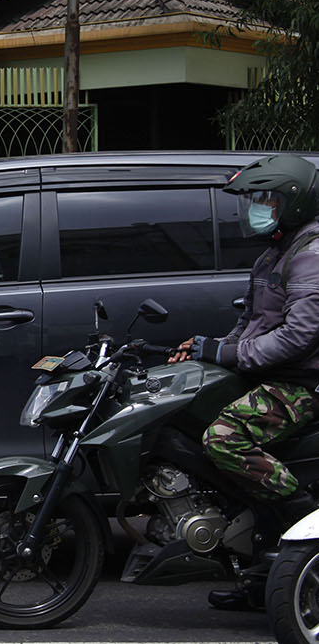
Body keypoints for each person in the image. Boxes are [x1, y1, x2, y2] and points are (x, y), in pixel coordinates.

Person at [169, 153, 319, 610]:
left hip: (302, 385)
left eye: (264, 199)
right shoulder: (275, 253)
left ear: (291, 203)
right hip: (273, 378)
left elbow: (302, 332)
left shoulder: (311, 254)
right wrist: (208, 348)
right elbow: (250, 324)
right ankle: (259, 576)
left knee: (224, 439)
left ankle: (301, 518)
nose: (254, 207)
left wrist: (232, 354)